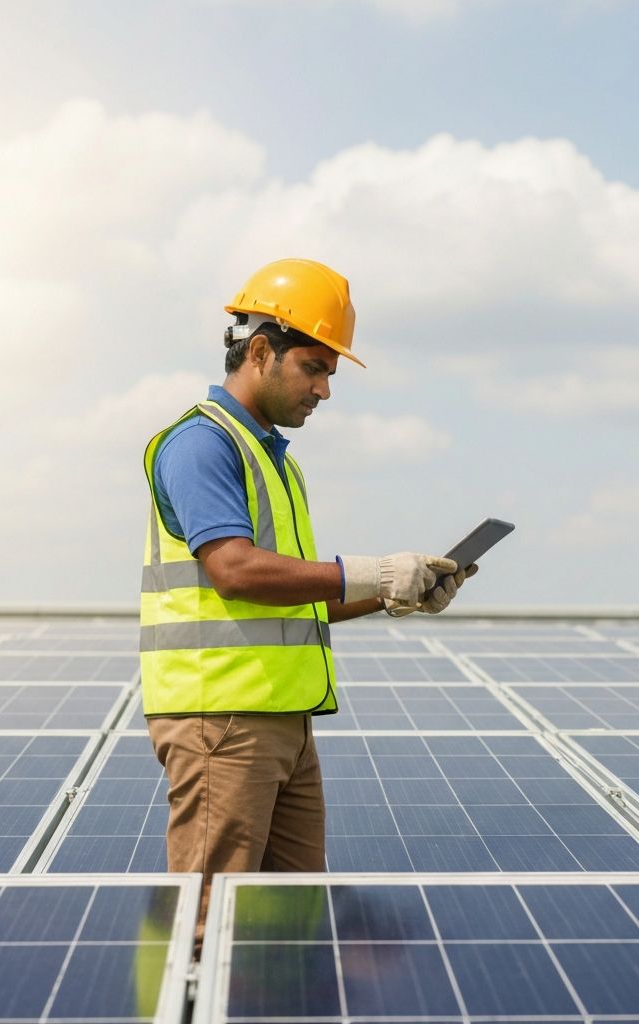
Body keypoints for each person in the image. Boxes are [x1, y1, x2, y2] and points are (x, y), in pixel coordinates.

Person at [139, 258, 475, 947]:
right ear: (260, 351)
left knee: (287, 926)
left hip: (282, 723)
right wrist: (371, 570)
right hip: (222, 722)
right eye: (315, 368)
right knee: (212, 925)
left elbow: (295, 598)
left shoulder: (277, 461)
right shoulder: (202, 444)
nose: (325, 389)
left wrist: (391, 591)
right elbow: (234, 570)